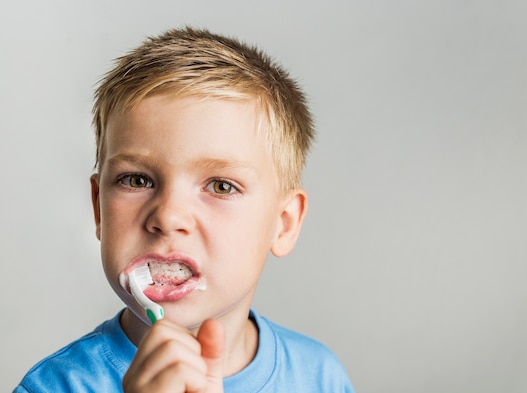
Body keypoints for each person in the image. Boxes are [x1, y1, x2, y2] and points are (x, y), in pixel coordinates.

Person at [15, 26, 354, 393]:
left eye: (221, 186)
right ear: (99, 208)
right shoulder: (54, 386)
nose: (168, 216)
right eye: (137, 180)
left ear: (283, 224)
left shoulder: (319, 376)